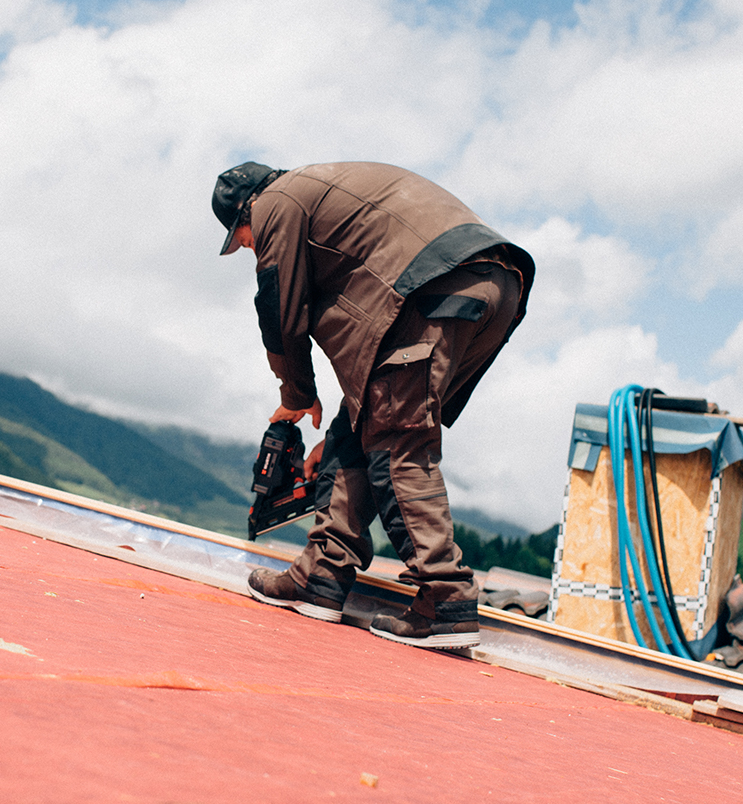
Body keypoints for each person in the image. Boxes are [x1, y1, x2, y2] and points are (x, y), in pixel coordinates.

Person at [212, 160, 534, 649]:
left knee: (396, 443)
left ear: (246, 210)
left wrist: (295, 396)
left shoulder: (278, 202)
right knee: (367, 424)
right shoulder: (323, 190)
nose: (249, 248)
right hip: (494, 283)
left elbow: (279, 303)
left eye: (244, 239)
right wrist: (342, 430)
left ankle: (445, 597)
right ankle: (321, 575)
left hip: (436, 286)